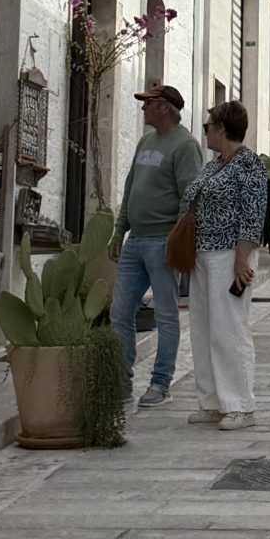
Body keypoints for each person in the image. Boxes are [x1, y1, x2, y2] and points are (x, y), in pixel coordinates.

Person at [109, 84, 202, 407]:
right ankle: (121, 383)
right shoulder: (145, 141)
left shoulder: (186, 145)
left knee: (166, 315)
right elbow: (130, 186)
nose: (142, 108)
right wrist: (119, 231)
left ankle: (161, 383)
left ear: (163, 107)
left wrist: (176, 240)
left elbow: (190, 197)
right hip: (136, 241)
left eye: (147, 103)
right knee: (119, 312)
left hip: (162, 240)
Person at [182, 101, 269, 431]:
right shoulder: (214, 165)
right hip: (203, 255)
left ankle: (240, 405)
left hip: (228, 256)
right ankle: (212, 400)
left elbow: (251, 216)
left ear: (222, 129)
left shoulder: (250, 166)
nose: (205, 132)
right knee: (204, 327)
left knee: (230, 328)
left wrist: (240, 261)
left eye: (208, 127)